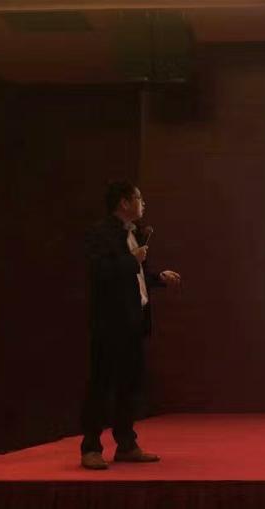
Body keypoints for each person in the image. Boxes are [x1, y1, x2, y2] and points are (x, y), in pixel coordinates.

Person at [80, 181, 181, 470]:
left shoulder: (134, 233)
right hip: (109, 324)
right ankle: (91, 447)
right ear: (124, 203)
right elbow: (99, 272)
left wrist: (158, 277)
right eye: (139, 198)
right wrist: (130, 260)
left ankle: (126, 444)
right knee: (102, 384)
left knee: (130, 385)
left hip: (134, 321)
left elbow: (136, 275)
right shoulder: (100, 233)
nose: (143, 203)